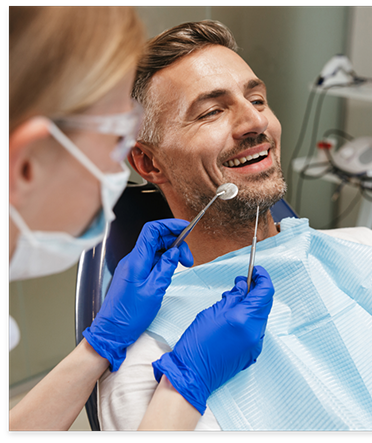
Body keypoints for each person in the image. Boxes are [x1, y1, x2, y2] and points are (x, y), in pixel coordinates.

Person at [98, 20, 372, 430]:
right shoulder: (153, 367)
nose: (255, 123)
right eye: (211, 112)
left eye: (256, 99)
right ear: (149, 162)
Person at [9, 8, 274, 431]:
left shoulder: (370, 250)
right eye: (114, 138)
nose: (256, 120)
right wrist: (184, 386)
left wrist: (98, 346)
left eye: (258, 100)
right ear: (27, 167)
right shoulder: (146, 360)